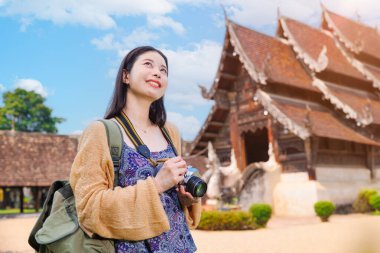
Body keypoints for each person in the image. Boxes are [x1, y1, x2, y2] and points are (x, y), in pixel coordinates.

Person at [70, 46, 201, 252]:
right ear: (126, 76)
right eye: (148, 64)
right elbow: (88, 208)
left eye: (164, 70)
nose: (157, 72)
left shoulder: (171, 132)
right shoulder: (100, 132)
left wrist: (186, 199)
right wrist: (156, 185)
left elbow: (173, 201)